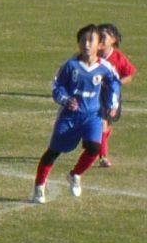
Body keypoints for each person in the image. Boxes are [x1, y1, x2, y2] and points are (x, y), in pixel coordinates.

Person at [31, 24, 120, 204]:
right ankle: (39, 187)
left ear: (99, 45)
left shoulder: (105, 67)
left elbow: (114, 83)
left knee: (94, 148)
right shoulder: (71, 66)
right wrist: (65, 100)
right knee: (53, 152)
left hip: (93, 116)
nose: (86, 44)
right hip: (70, 117)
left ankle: (75, 174)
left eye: (90, 40)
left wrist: (113, 103)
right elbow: (57, 88)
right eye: (83, 41)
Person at [97, 23, 135, 168]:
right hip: (95, 96)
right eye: (98, 36)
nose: (100, 39)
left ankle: (100, 149)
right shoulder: (93, 54)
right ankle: (102, 156)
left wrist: (115, 83)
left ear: (113, 39)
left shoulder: (118, 57)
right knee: (102, 124)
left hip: (112, 97)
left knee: (106, 125)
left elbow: (129, 75)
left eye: (104, 37)